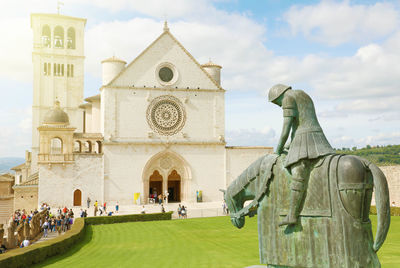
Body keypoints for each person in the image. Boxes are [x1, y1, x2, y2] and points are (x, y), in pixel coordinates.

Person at [268, 84, 334, 226]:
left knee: (298, 170)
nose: (279, 106)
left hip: (306, 138)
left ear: (278, 96)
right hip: (315, 136)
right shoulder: (302, 94)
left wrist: (278, 149)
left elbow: (287, 127)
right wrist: (289, 145)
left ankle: (292, 214)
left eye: (276, 103)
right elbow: (300, 123)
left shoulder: (287, 98)